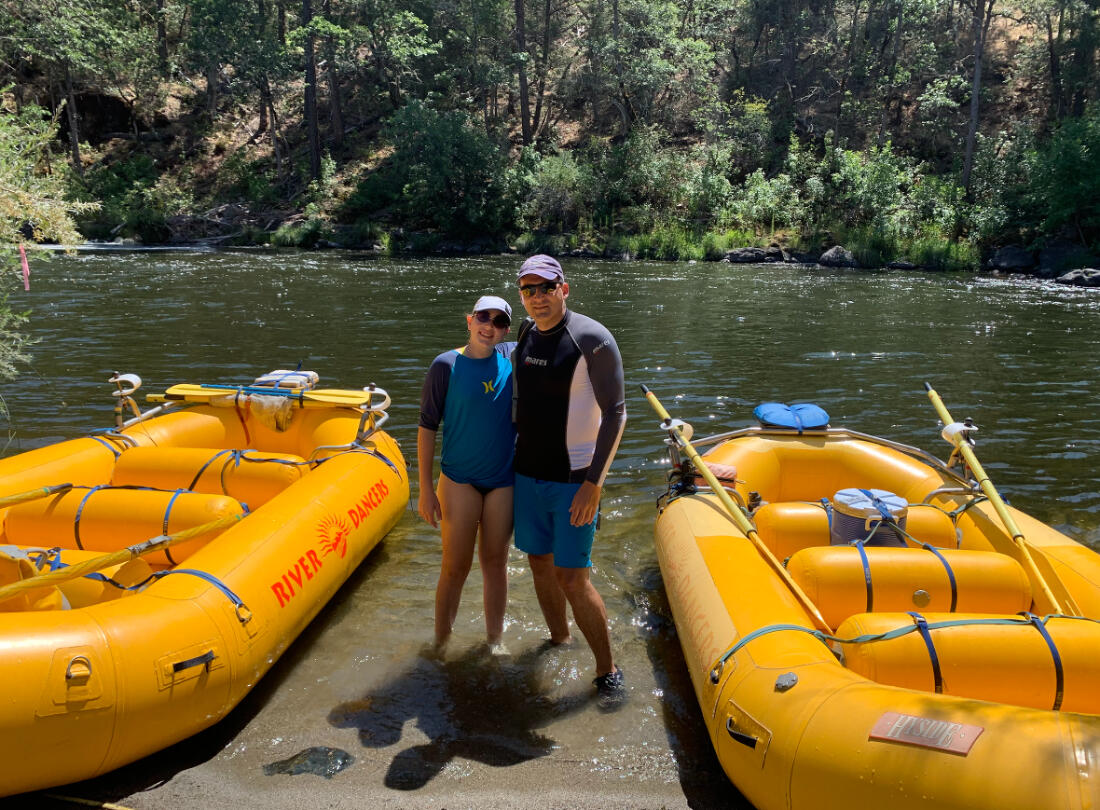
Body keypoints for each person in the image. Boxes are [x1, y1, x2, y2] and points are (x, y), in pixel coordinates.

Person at [510, 254, 627, 707]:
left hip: (574, 481)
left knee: (573, 577)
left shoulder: (592, 339)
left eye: (546, 287)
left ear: (564, 288)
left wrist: (593, 484)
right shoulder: (525, 333)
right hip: (527, 475)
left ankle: (607, 670)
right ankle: (559, 640)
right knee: (539, 563)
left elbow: (616, 414)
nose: (537, 297)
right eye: (528, 289)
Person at [418, 295, 516, 653]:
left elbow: (551, 335)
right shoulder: (446, 365)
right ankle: (440, 644)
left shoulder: (512, 358)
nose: (489, 326)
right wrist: (425, 489)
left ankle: (495, 643)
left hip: (503, 482)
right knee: (454, 567)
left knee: (495, 563)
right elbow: (427, 427)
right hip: (459, 481)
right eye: (483, 317)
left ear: (506, 330)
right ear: (469, 320)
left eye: (499, 321)